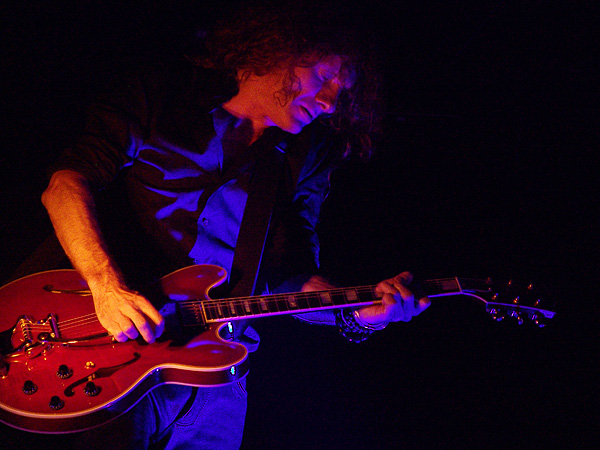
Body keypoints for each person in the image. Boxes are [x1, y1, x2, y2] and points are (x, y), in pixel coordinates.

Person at [40, 3, 430, 449]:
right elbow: (67, 183)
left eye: (340, 94)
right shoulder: (163, 91)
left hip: (218, 374)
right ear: (280, 47)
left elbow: (291, 277)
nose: (328, 103)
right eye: (324, 77)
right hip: (109, 347)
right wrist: (106, 285)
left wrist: (359, 315)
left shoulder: (310, 155)